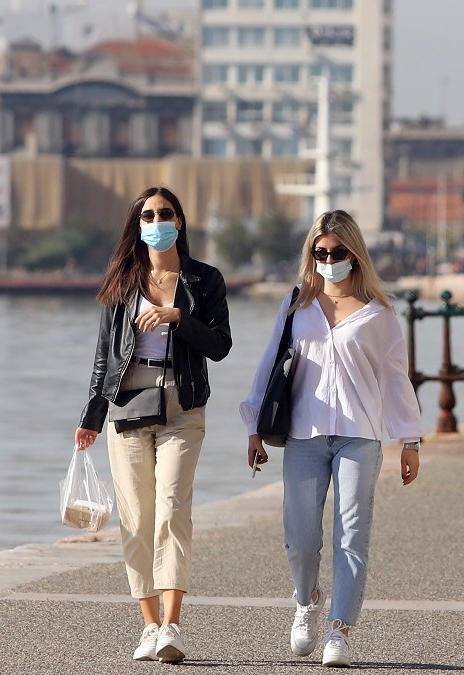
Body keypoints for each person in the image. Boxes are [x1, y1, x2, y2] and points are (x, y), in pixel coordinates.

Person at [241, 210, 423, 668]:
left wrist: (410, 440)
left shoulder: (379, 314)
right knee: (301, 538)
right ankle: (308, 600)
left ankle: (340, 630)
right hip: (302, 434)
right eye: (319, 252)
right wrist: (254, 427)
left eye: (337, 252)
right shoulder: (297, 304)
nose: (328, 259)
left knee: (352, 535)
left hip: (359, 437)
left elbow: (396, 380)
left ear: (355, 254)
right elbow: (269, 366)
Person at [74, 186, 232, 663]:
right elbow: (105, 357)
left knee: (171, 510)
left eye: (165, 213)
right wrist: (91, 418)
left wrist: (179, 317)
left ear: (179, 222)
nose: (157, 220)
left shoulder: (204, 280)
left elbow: (221, 345)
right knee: (137, 521)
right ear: (138, 224)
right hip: (126, 408)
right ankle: (148, 625)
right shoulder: (122, 280)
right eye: (148, 214)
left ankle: (172, 625)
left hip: (182, 408)